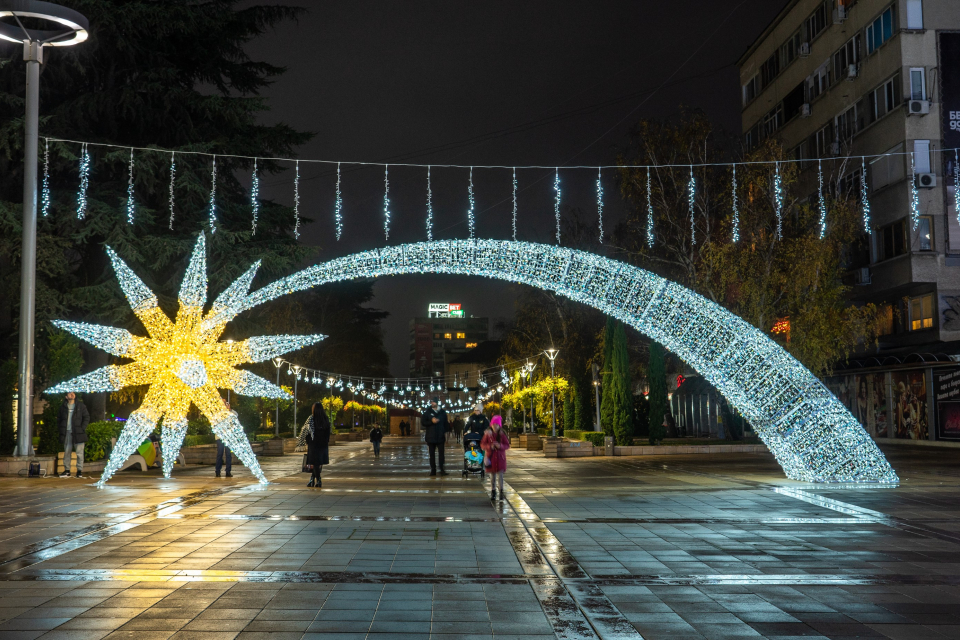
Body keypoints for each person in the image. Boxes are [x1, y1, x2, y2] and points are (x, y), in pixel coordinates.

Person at [58, 392, 89, 478]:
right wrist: (61, 429)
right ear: (66, 397)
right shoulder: (63, 407)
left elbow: (86, 417)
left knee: (79, 453)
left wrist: (82, 428)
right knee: (67, 452)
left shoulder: (80, 406)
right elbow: (59, 419)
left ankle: (79, 471)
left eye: (73, 393)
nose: (71, 394)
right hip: (67, 432)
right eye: (69, 393)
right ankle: (67, 470)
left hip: (78, 433)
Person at [481, 415, 510, 501]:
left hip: (500, 458)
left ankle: (501, 492)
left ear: (499, 425)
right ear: (491, 425)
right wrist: (490, 446)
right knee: (492, 477)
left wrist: (500, 445)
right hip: (491, 458)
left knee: (500, 476)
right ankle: (493, 491)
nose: (495, 426)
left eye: (497, 425)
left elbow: (507, 445)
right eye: (493, 424)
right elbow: (482, 444)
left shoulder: (502, 434)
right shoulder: (488, 434)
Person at [303, 402, 332, 487]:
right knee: (318, 463)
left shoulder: (311, 418)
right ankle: (312, 480)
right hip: (323, 444)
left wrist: (308, 441)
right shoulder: (325, 419)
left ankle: (318, 480)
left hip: (314, 444)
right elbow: (328, 433)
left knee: (315, 463)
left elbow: (306, 431)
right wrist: (326, 441)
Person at [422, 397, 449, 476]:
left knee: (441, 454)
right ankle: (433, 470)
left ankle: (442, 469)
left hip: (440, 437)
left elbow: (446, 424)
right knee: (432, 454)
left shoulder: (442, 413)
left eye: (433, 402)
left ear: (437, 403)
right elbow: (423, 422)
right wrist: (431, 421)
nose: (432, 404)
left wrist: (447, 435)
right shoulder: (427, 412)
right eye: (431, 402)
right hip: (431, 437)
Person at [215, 399, 236, 478]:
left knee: (228, 455)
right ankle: (217, 471)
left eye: (225, 403)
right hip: (220, 437)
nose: (224, 404)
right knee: (219, 454)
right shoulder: (217, 412)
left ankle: (228, 471)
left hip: (228, 437)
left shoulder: (229, 412)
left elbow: (235, 415)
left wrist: (229, 410)